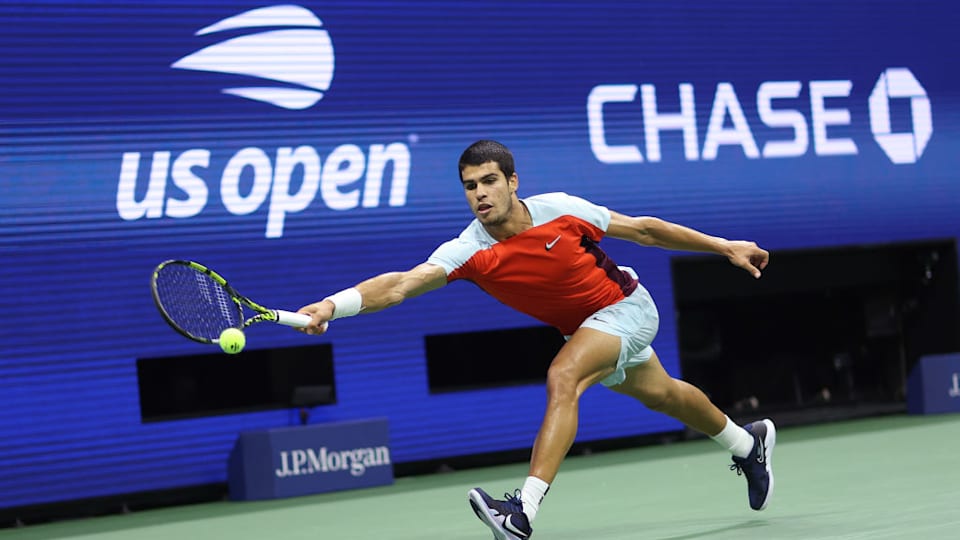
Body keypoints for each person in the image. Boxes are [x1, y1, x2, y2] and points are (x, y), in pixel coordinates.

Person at [297, 140, 775, 540]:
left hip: (626, 306)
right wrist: (332, 306)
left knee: (564, 375)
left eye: (489, 181)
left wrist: (724, 246)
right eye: (470, 186)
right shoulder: (468, 250)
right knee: (663, 394)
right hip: (584, 328)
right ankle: (746, 443)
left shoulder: (559, 210)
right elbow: (400, 284)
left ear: (512, 182)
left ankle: (521, 511)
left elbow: (645, 231)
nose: (480, 194)